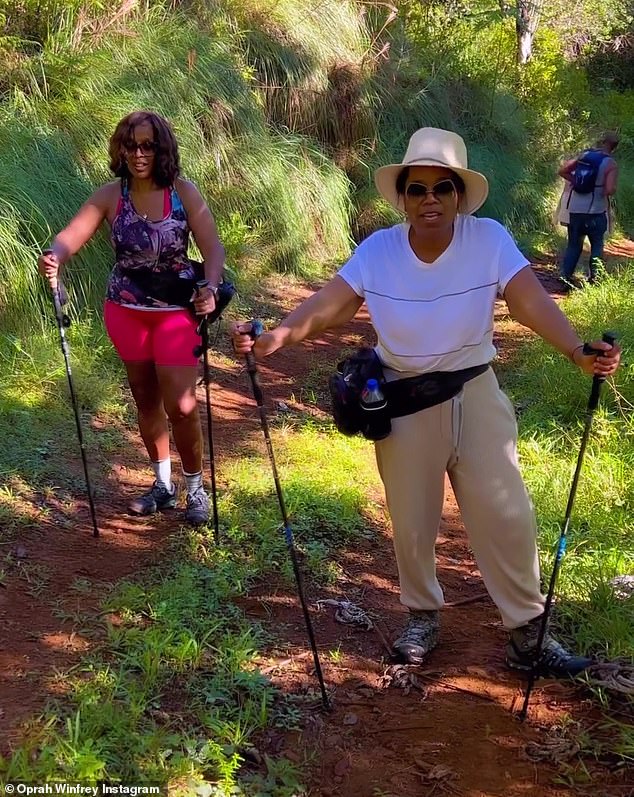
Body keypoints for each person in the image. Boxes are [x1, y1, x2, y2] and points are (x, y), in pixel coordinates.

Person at [231, 128, 621, 677]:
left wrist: (578, 352)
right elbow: (331, 305)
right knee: (412, 519)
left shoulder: (487, 239)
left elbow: (528, 300)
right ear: (404, 198)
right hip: (405, 398)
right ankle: (422, 616)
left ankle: (528, 633)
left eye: (443, 187)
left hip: (475, 389)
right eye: (418, 189)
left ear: (460, 194)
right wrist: (276, 336)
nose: (430, 199)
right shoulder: (379, 251)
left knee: (507, 513)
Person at [38, 110, 225, 526]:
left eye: (148, 145)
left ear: (162, 149)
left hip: (176, 312)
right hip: (125, 311)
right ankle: (163, 485)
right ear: (120, 149)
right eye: (131, 145)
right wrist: (55, 256)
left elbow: (213, 249)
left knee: (181, 404)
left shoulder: (183, 193)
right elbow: (71, 235)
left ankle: (196, 488)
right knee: (145, 399)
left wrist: (210, 288)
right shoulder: (111, 195)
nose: (139, 153)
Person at [558, 131, 619, 286]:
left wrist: (576, 181)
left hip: (575, 209)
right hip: (595, 211)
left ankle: (565, 278)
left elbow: (563, 171)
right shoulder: (610, 164)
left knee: (573, 245)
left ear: (601, 141)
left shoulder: (584, 156)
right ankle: (595, 280)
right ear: (614, 147)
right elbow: (609, 189)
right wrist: (602, 189)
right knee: (597, 245)